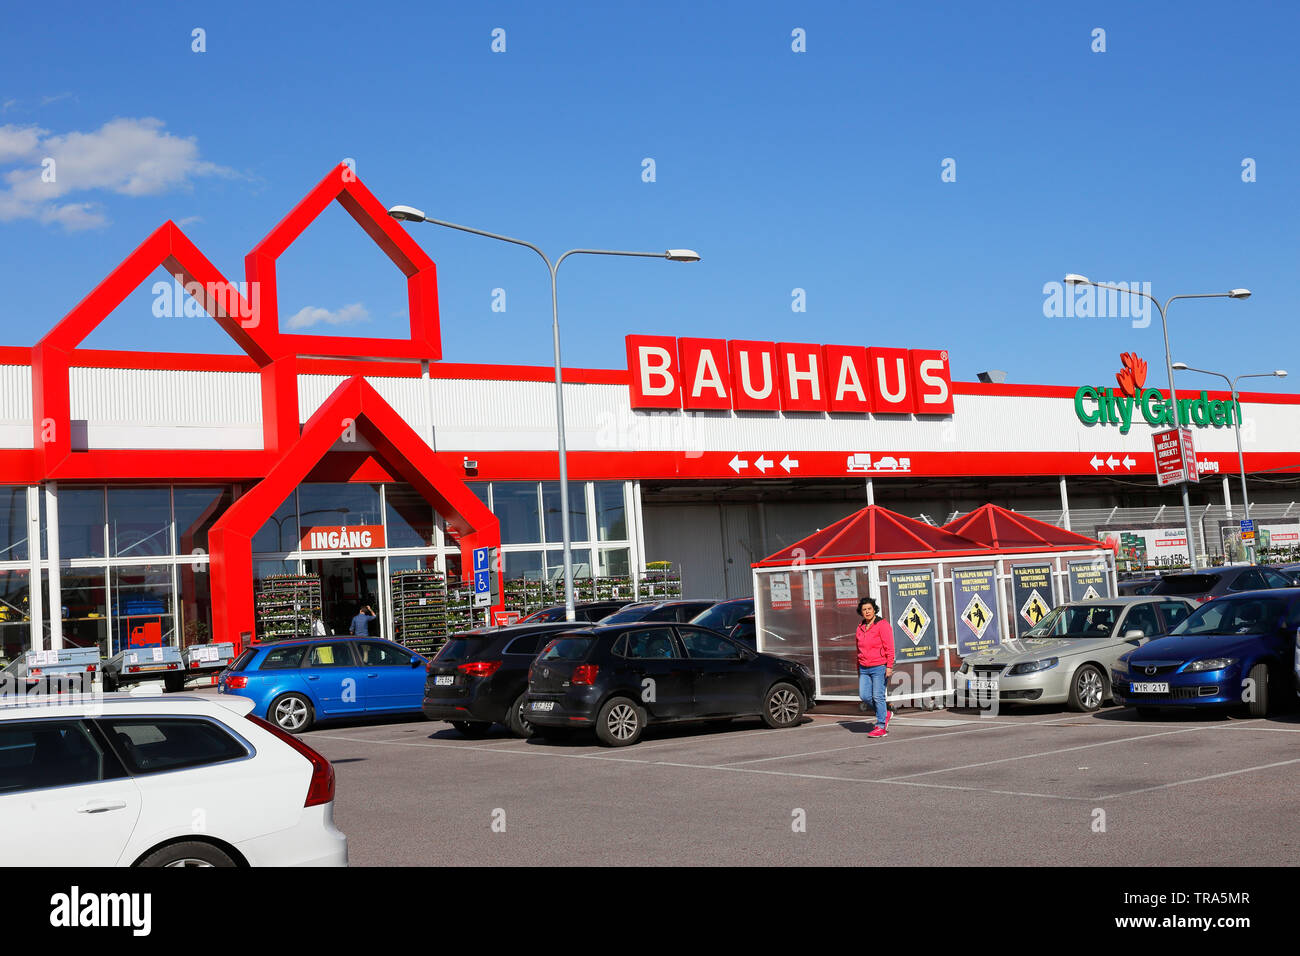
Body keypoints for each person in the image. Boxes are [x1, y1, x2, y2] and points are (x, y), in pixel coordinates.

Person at [855, 597, 894, 738]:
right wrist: (858, 668)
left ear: (874, 609)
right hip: (864, 667)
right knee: (864, 696)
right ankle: (885, 713)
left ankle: (881, 726)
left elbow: (890, 647)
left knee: (878, 696)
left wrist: (889, 666)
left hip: (879, 666)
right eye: (864, 609)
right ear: (861, 611)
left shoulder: (882, 625)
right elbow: (858, 649)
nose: (867, 612)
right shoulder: (860, 627)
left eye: (869, 609)